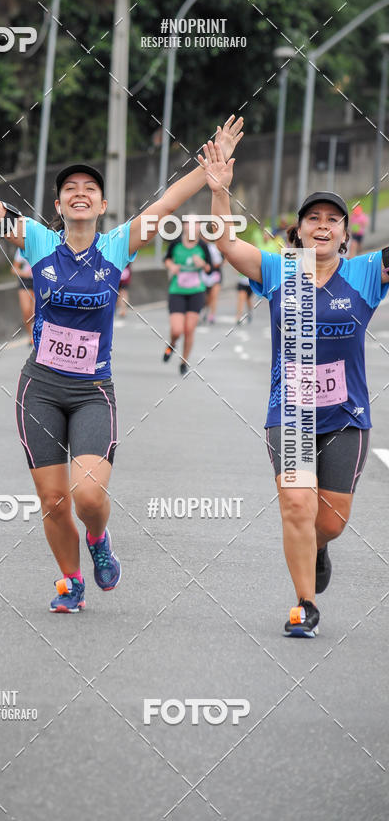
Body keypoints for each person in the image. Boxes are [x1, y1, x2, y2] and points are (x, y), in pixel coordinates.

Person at [0, 115, 244, 613]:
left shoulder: (117, 245)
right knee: (54, 502)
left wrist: (208, 172)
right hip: (39, 387)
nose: (79, 193)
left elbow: (168, 202)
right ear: (58, 205)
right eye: (70, 189)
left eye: (90, 188)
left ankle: (99, 539)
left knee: (86, 496)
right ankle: (71, 579)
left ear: (103, 205)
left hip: (91, 393)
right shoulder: (38, 242)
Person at [199, 139, 389, 638]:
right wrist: (219, 192)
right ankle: (305, 604)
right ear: (299, 231)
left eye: (332, 219)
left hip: (347, 417)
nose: (322, 226)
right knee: (297, 506)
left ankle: (319, 547)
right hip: (292, 412)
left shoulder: (367, 274)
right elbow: (225, 243)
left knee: (329, 522)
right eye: (313, 219)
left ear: (346, 234)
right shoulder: (279, 270)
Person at [162, 225, 210, 375]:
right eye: (190, 225)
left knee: (189, 329)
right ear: (184, 227)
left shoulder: (202, 246)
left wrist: (202, 264)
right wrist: (172, 266)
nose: (193, 228)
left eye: (196, 225)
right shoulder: (176, 243)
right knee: (177, 330)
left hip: (196, 291)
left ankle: (184, 361)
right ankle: (172, 344)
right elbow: (167, 259)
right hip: (177, 290)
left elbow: (209, 268)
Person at [12, 247, 35, 342]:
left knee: (35, 311)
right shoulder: (22, 248)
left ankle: (37, 334)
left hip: (39, 279)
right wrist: (23, 273)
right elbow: (14, 268)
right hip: (25, 281)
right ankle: (31, 336)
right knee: (26, 311)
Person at [200, 239, 223, 324]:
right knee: (205, 298)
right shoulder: (199, 247)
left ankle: (212, 315)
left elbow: (220, 261)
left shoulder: (214, 247)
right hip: (203, 275)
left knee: (214, 296)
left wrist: (210, 266)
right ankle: (204, 311)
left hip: (215, 274)